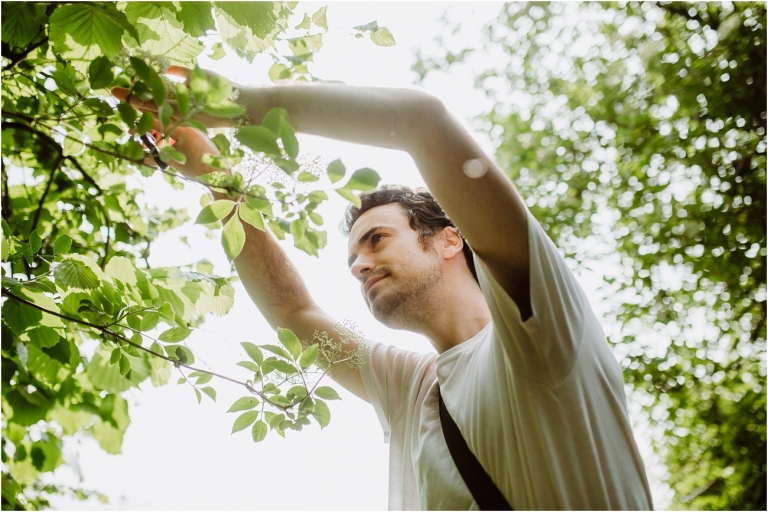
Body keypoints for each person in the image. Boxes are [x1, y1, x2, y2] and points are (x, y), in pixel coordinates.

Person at [113, 68, 654, 510]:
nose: (358, 265)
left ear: (448, 240)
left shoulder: (542, 331)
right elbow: (294, 311)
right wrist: (216, 175)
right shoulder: (416, 391)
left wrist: (241, 104)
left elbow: (421, 121)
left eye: (375, 240)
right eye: (352, 256)